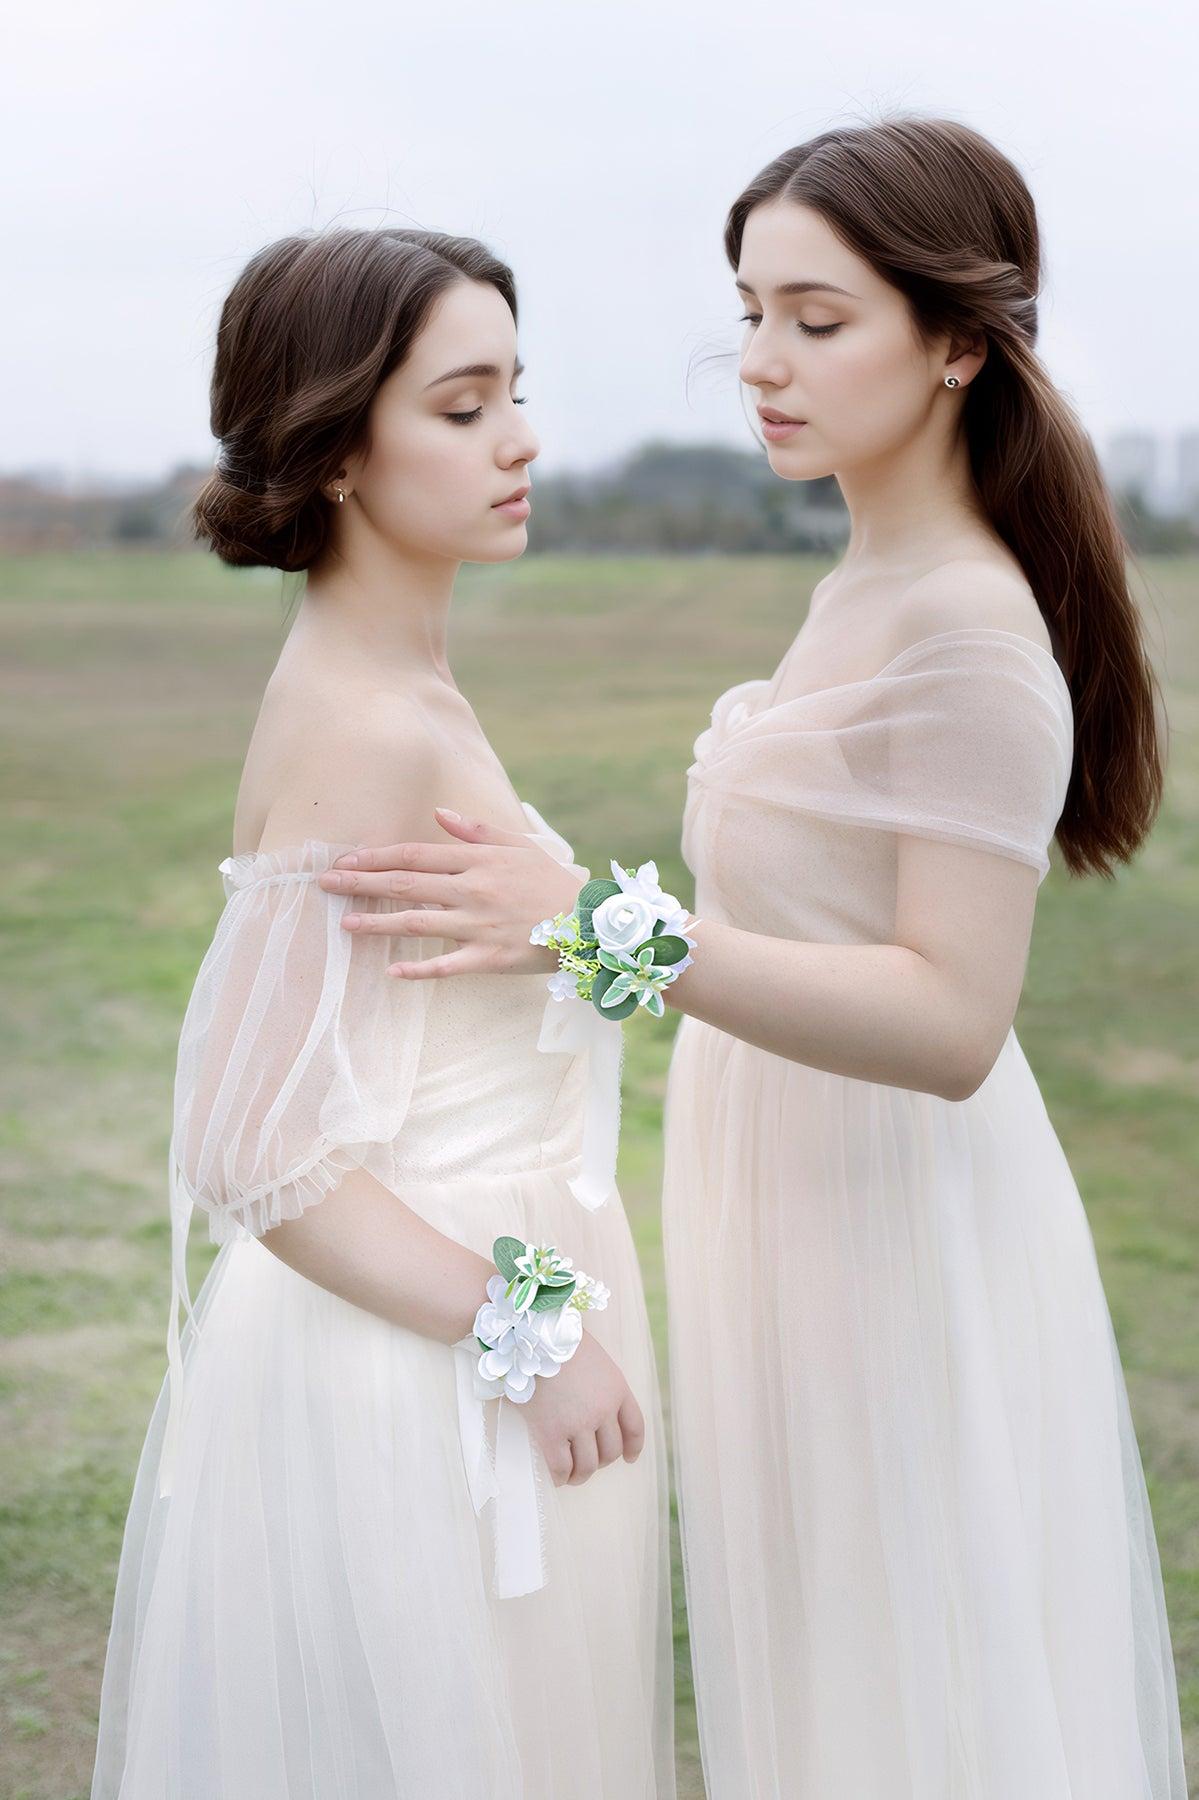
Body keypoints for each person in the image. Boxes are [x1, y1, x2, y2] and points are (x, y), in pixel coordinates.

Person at [327, 118, 1189, 1797]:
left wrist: (597, 933)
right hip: (776, 1194)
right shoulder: (863, 577)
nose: (763, 365)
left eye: (818, 317)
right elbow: (792, 923)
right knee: (810, 1655)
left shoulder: (966, 623)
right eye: (751, 314)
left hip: (898, 1218)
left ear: (956, 343)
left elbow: (951, 1017)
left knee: (903, 1663)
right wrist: (570, 910)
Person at [90, 225, 676, 1800]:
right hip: (425, 1363)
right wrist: (531, 1334)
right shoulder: (364, 719)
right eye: (465, 404)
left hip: (484, 1294)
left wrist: (633, 948)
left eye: (516, 392)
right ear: (341, 447)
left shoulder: (404, 680)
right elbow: (250, 1143)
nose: (523, 438)